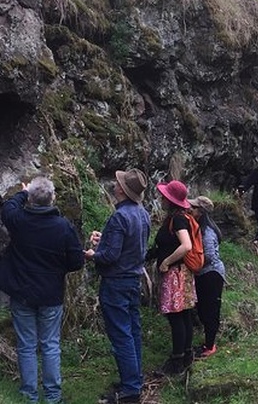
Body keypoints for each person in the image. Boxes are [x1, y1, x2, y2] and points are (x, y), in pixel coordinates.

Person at [0, 176, 85, 404]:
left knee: (26, 345)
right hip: (51, 293)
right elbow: (77, 262)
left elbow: (8, 208)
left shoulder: (19, 220)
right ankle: (53, 396)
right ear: (53, 198)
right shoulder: (63, 227)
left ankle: (29, 396)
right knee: (50, 344)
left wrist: (23, 193)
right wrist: (57, 269)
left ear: (31, 199)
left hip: (22, 292)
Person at [84, 169, 149, 404]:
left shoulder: (120, 217)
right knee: (132, 331)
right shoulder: (143, 214)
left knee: (121, 334)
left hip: (116, 282)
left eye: (117, 183)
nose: (114, 185)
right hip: (133, 279)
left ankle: (130, 390)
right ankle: (135, 379)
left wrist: (92, 254)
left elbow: (110, 256)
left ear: (122, 190)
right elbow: (132, 246)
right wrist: (105, 241)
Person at [149, 180, 197, 375]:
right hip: (182, 272)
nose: (160, 199)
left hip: (176, 273)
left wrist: (166, 261)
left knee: (176, 316)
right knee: (183, 315)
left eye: (164, 197)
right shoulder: (177, 218)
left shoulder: (177, 220)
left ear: (170, 200)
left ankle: (177, 362)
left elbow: (186, 245)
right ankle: (186, 355)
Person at [189, 196, 225, 360]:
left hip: (211, 274)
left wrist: (193, 261)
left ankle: (210, 345)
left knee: (210, 310)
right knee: (203, 309)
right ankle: (207, 343)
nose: (191, 209)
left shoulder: (207, 232)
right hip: (203, 274)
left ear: (201, 212)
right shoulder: (199, 228)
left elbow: (209, 255)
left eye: (194, 208)